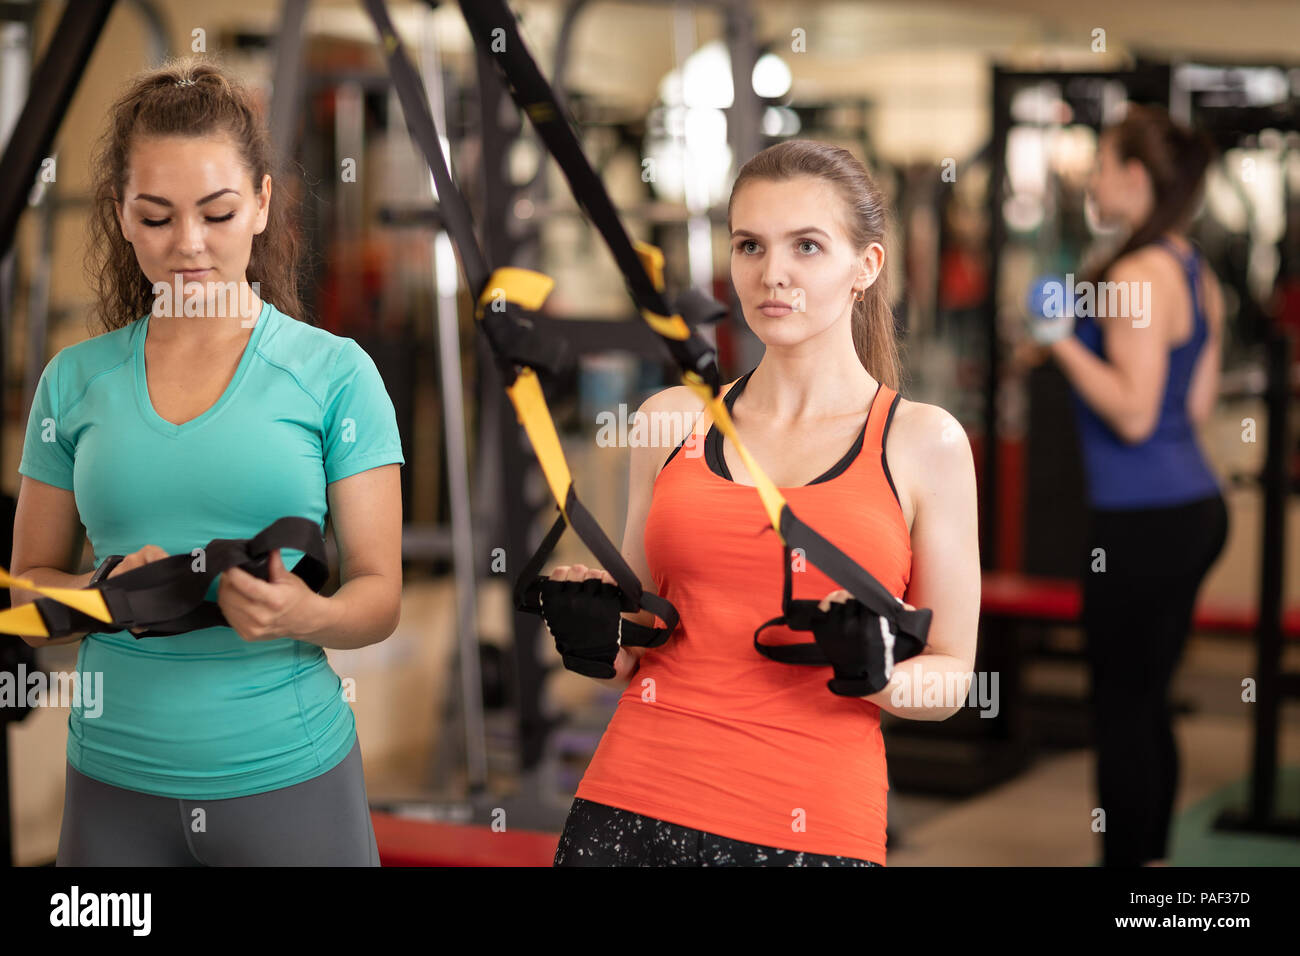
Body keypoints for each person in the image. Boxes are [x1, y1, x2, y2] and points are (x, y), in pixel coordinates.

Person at [10, 57, 405, 866]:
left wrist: (306, 614)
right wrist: (98, 597)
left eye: (217, 213)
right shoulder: (73, 382)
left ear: (261, 202)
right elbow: (26, 591)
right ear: (121, 215)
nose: (187, 246)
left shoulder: (335, 374)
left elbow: (381, 595)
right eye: (155, 218)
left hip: (287, 780)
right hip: (111, 786)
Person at [547, 139, 981, 866]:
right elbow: (639, 631)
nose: (771, 274)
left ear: (865, 267)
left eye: (807, 246)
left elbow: (952, 676)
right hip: (630, 802)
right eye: (750, 246)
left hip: (807, 825)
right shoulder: (669, 420)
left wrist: (876, 676)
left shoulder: (923, 442)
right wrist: (594, 627)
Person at [1029, 104, 1229, 866]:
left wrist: (1058, 345)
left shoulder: (1138, 273)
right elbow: (1198, 405)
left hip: (1142, 520)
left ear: (1136, 177)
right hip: (1192, 508)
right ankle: (1153, 868)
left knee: (1120, 710)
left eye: (1104, 162)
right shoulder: (1191, 266)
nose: (1093, 177)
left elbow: (1137, 414)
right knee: (1146, 704)